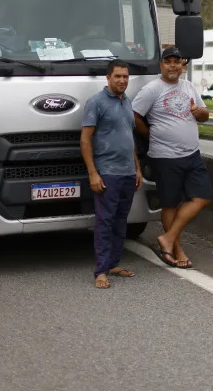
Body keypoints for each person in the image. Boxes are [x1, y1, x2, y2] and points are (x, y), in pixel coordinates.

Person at [132, 47, 211, 269]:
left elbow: (204, 114)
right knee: (170, 203)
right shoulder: (152, 89)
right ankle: (176, 249)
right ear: (161, 65)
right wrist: (149, 133)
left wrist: (199, 112)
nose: (173, 65)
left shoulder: (189, 87)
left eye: (178, 62)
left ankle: (168, 237)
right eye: (169, 61)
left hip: (192, 153)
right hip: (164, 156)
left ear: (182, 65)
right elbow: (134, 115)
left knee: (203, 196)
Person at [81, 60, 143, 289]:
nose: (122, 80)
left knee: (120, 221)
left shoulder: (126, 102)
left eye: (125, 77)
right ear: (108, 78)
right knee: (105, 221)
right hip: (107, 172)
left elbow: (130, 139)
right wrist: (93, 173)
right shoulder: (96, 102)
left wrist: (136, 168)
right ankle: (101, 271)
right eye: (117, 76)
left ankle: (114, 263)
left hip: (127, 173)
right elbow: (85, 140)